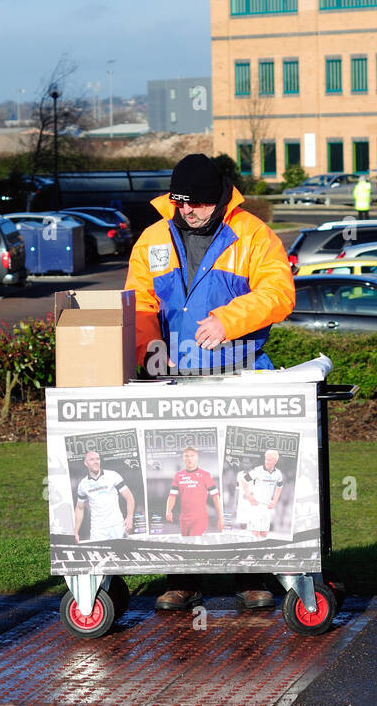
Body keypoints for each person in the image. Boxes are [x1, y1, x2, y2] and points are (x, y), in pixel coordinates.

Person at [125, 153, 295, 611]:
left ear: (219, 199)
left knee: (240, 477)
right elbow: (140, 304)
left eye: (197, 203)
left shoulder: (253, 235)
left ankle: (252, 576)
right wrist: (147, 352)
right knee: (176, 478)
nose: (188, 212)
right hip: (175, 380)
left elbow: (279, 293)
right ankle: (182, 578)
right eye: (180, 202)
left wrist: (228, 320)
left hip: (238, 375)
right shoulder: (152, 240)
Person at [74, 449, 135, 543]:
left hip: (117, 525)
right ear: (86, 463)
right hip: (98, 529)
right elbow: (79, 508)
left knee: (122, 555)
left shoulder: (112, 475)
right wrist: (76, 531)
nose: (96, 462)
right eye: (92, 459)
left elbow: (129, 497)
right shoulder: (83, 484)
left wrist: (130, 517)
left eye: (97, 459)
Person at [166, 445, 224, 538]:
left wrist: (221, 517)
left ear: (197, 457)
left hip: (199, 519)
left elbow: (216, 496)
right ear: (183, 458)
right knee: (187, 547)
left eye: (192, 456)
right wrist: (168, 510)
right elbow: (172, 496)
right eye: (187, 456)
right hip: (184, 519)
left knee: (194, 542)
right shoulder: (178, 476)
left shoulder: (205, 475)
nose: (189, 458)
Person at [241, 449, 285, 539]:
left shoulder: (278, 474)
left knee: (264, 534)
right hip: (256, 506)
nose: (267, 461)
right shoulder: (257, 470)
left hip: (267, 507)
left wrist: (275, 501)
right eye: (266, 459)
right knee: (255, 534)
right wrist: (249, 496)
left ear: (275, 461)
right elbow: (244, 480)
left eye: (269, 460)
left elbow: (279, 487)